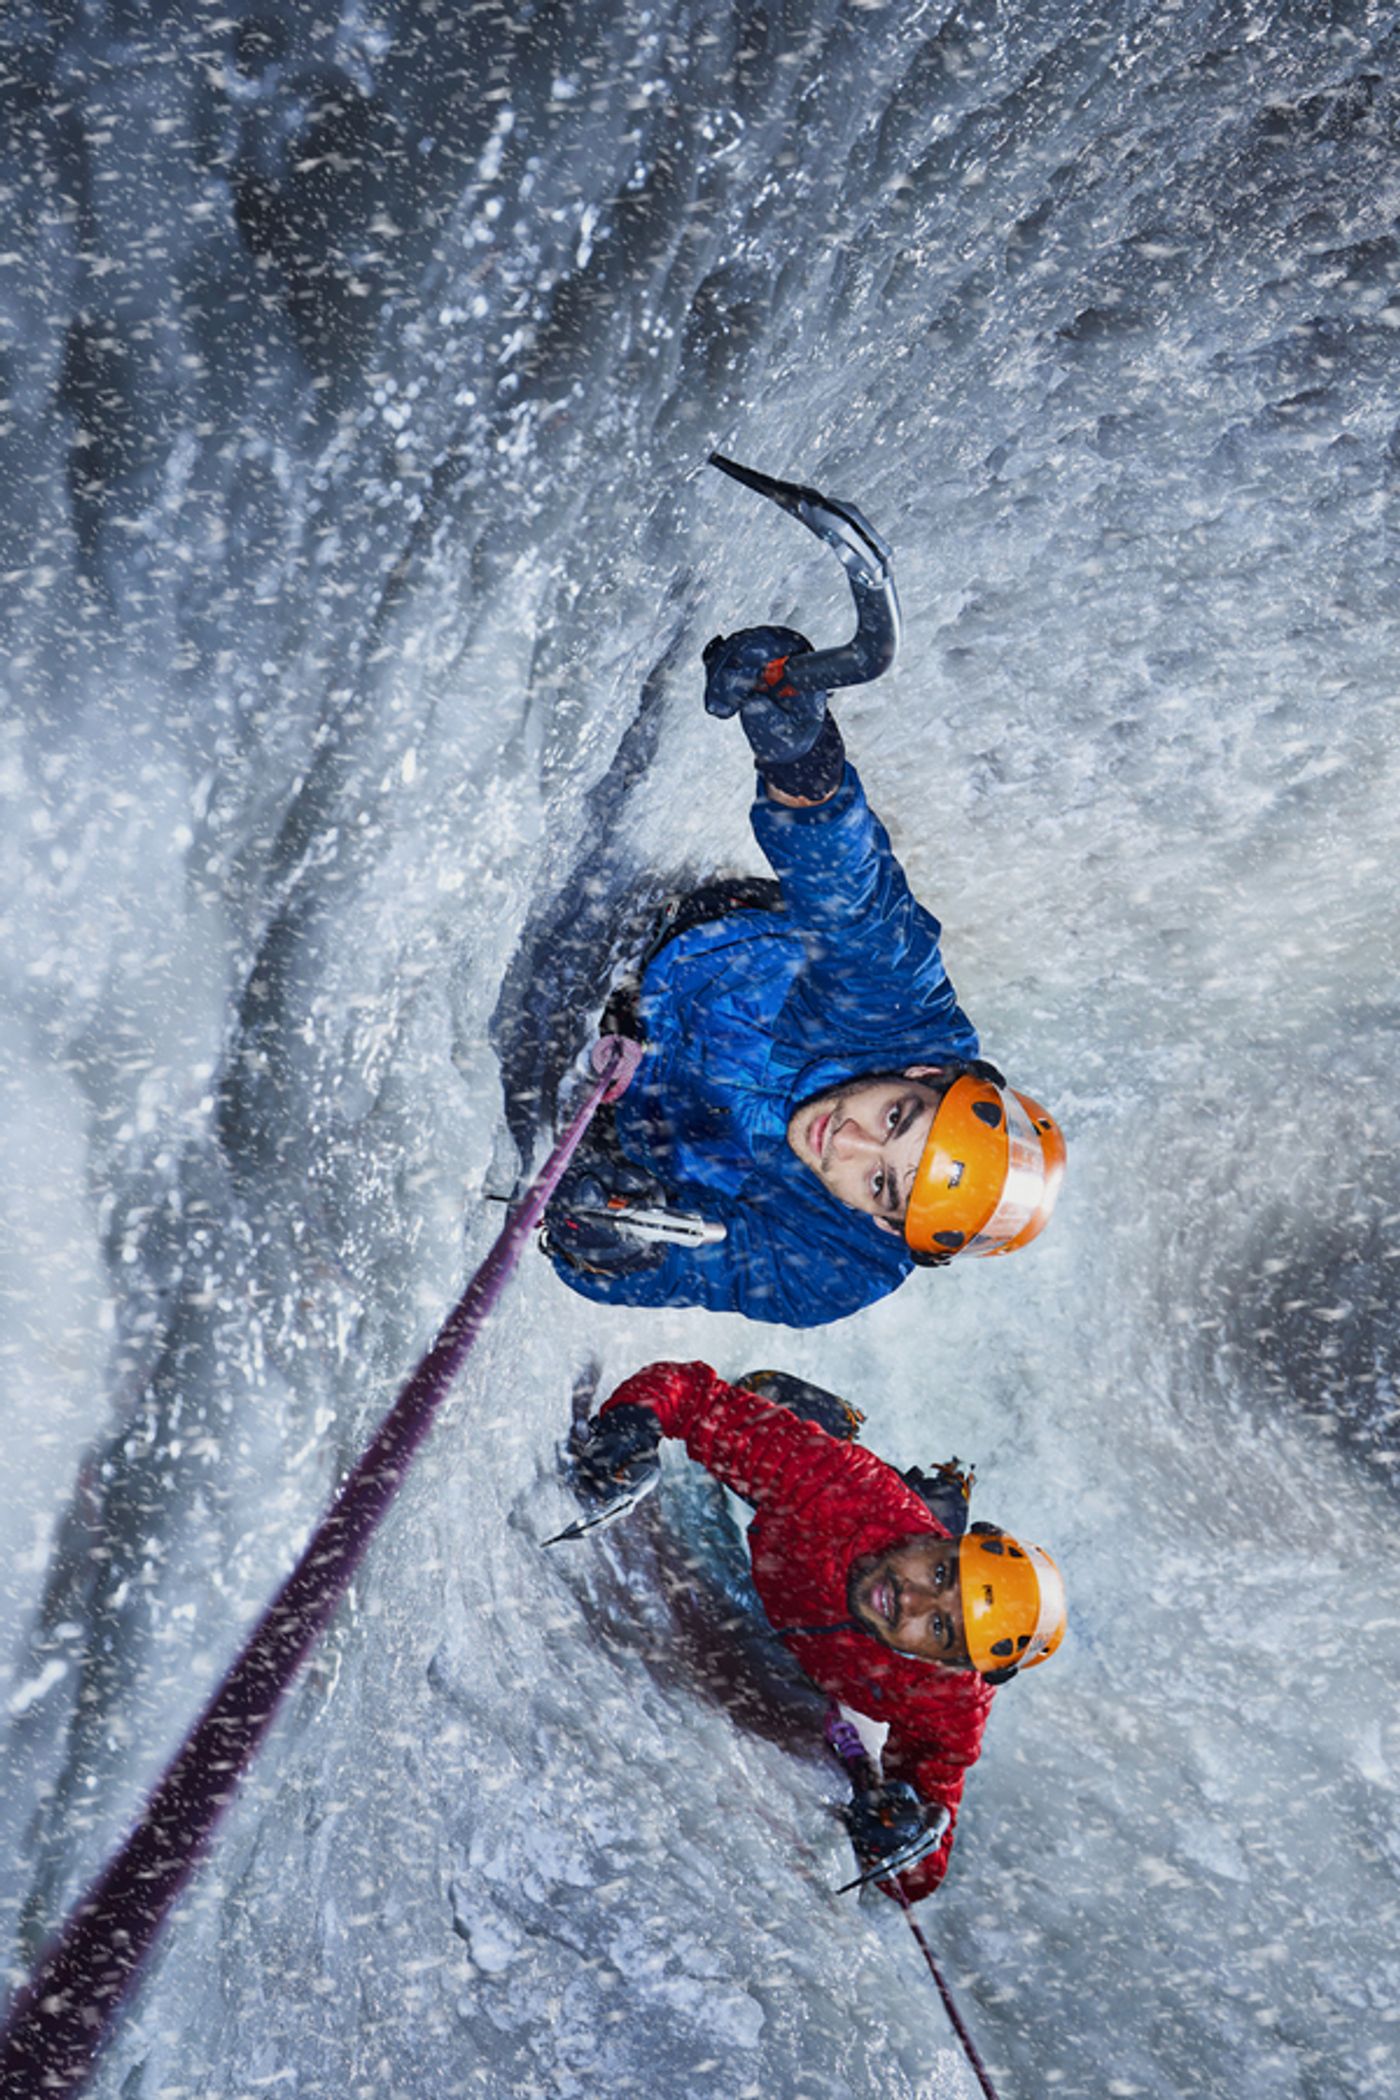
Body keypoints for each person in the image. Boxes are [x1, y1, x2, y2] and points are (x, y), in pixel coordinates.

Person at [542, 456, 1065, 1328]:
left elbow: (684, 1273)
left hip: (622, 1127)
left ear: (885, 1224)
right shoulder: (898, 1007)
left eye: (882, 1184)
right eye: (895, 1115)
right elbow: (853, 895)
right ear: (927, 1072)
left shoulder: (832, 1270)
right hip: (694, 948)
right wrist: (801, 755)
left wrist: (605, 1242)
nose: (852, 1143)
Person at [563, 1360, 1066, 1900]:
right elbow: (689, 1394)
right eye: (940, 1571)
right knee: (762, 1401)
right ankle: (870, 1449)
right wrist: (632, 1424)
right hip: (837, 1523)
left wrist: (897, 1829)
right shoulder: (841, 1490)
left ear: (946, 1663)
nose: (912, 1598)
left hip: (820, 1569)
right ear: (938, 1544)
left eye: (940, 1627)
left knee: (917, 1507)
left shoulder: (949, 1698)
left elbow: (923, 1861)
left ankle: (940, 1498)